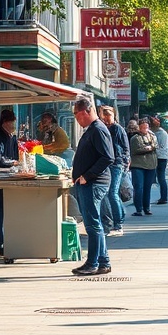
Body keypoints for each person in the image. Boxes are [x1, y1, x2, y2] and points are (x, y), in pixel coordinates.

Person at [70, 97, 114, 276]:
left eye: (77, 114)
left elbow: (108, 157)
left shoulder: (98, 130)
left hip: (94, 183)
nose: (76, 118)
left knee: (92, 224)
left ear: (86, 112)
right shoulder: (92, 129)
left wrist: (87, 176)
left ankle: (92, 263)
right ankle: (103, 262)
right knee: (94, 223)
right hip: (90, 182)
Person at [0, 109, 19, 253]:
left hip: (11, 176)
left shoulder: (12, 137)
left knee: (8, 209)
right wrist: (12, 163)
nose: (13, 125)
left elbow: (16, 156)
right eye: (11, 122)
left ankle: (7, 239)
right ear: (4, 122)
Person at [99, 105, 129, 237]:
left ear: (113, 115)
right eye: (104, 116)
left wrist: (124, 161)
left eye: (108, 115)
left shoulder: (118, 129)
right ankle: (119, 217)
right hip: (108, 164)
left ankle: (118, 224)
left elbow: (125, 147)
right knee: (109, 193)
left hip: (116, 163)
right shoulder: (104, 128)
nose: (106, 118)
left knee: (112, 193)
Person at [129, 118, 157, 216]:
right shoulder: (135, 138)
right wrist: (149, 148)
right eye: (143, 127)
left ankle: (147, 208)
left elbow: (155, 145)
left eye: (146, 127)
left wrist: (150, 147)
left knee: (147, 188)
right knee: (139, 187)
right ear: (139, 128)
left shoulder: (152, 136)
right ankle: (139, 209)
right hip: (138, 165)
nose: (145, 129)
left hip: (151, 165)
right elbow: (137, 149)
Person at [150, 116, 168, 205]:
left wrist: (151, 149)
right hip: (156, 157)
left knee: (161, 178)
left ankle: (164, 197)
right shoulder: (154, 132)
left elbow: (162, 147)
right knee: (157, 178)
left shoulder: (162, 133)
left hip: (161, 158)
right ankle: (161, 197)